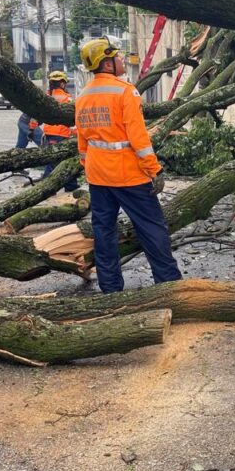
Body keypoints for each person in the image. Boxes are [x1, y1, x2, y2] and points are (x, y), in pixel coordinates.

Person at [75, 36, 181, 294]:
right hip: (129, 175)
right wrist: (154, 170)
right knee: (152, 229)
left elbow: (82, 141)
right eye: (117, 56)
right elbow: (138, 138)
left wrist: (88, 166)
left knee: (104, 233)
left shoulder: (83, 96)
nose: (121, 59)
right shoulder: (125, 91)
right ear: (107, 64)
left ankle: (110, 290)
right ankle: (169, 286)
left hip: (98, 176)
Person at [42, 70, 79, 190]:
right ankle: (48, 187)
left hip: (48, 132)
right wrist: (77, 133)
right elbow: (73, 118)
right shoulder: (67, 99)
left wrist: (32, 129)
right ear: (62, 84)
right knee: (60, 160)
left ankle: (70, 185)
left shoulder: (46, 98)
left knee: (56, 159)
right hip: (61, 134)